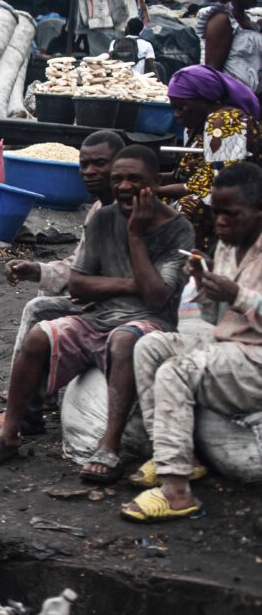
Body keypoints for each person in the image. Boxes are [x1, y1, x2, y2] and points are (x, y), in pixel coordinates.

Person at [0, 146, 194, 481]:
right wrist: (130, 283)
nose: (124, 186)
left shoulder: (177, 228)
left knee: (123, 339)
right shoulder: (104, 217)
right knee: (39, 335)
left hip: (151, 323)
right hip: (99, 317)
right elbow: (79, 284)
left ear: (155, 181)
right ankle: (12, 430)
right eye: (118, 179)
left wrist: (134, 234)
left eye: (135, 179)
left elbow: (157, 296)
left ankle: (110, 442)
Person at [122, 162, 262, 521]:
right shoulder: (230, 245)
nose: (220, 223)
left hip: (256, 360)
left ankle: (177, 492)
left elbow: (244, 302)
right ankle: (176, 458)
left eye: (231, 215)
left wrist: (237, 294)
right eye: (216, 214)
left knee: (176, 372)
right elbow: (219, 313)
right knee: (150, 346)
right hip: (231, 347)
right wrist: (205, 279)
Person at [0, 130, 126, 436]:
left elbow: (122, 277)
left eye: (101, 164)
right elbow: (79, 264)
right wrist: (38, 270)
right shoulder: (98, 208)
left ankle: (22, 410)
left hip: (120, 312)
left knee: (38, 310)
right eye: (85, 165)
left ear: (120, 165)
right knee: (46, 288)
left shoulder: (128, 211)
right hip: (99, 299)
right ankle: (35, 395)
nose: (90, 172)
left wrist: (73, 284)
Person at [159, 64, 261, 249]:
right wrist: (158, 179)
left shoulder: (224, 121)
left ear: (203, 101)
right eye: (174, 107)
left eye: (182, 107)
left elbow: (213, 185)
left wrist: (155, 190)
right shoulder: (201, 124)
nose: (177, 115)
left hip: (233, 206)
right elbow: (193, 172)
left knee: (182, 208)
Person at [196, 0, 261, 95]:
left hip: (251, 102)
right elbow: (213, 70)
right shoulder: (222, 20)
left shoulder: (247, 23)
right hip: (234, 103)